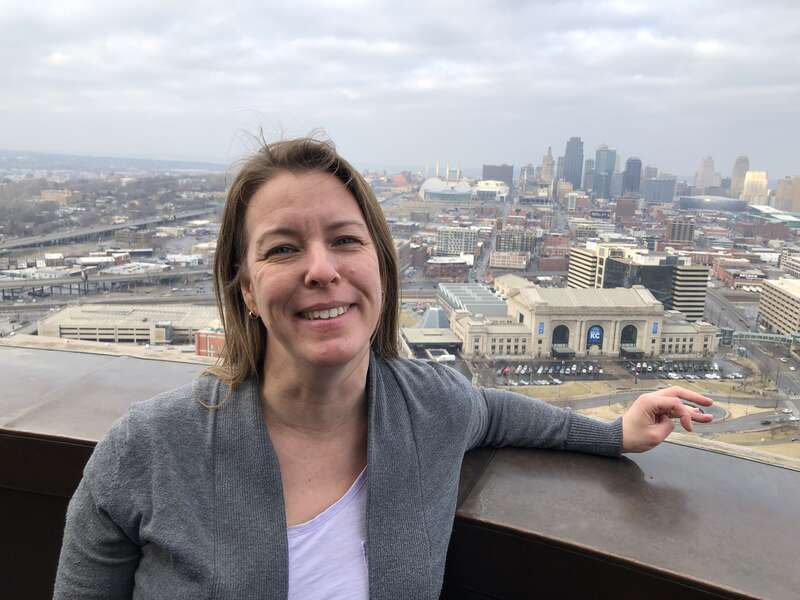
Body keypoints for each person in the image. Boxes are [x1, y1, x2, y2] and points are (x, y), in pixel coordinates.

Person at [53, 137, 714, 600]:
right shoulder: (147, 451)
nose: (321, 268)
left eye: (345, 240)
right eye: (284, 249)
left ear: (381, 267)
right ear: (247, 290)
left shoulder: (432, 407)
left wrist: (614, 433)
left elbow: (497, 410)